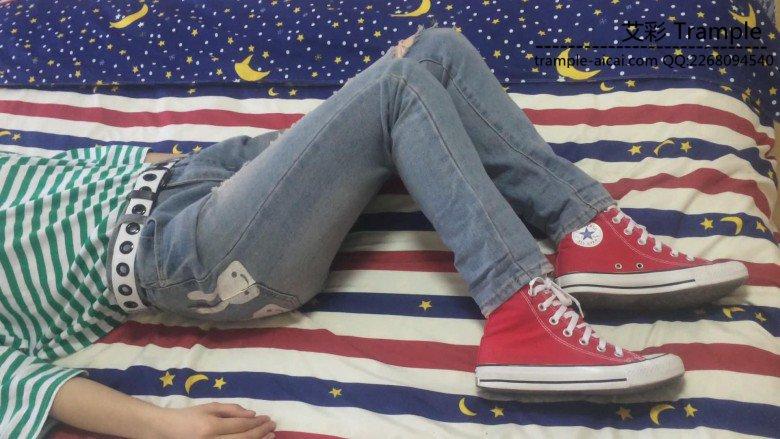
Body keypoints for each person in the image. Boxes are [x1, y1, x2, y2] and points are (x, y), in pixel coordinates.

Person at [0, 24, 748, 438]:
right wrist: (166, 428)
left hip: (191, 180)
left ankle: (585, 231)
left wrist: (261, 157)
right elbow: (27, 386)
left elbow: (68, 179)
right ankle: (520, 316)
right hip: (180, 258)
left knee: (435, 52)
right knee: (397, 90)